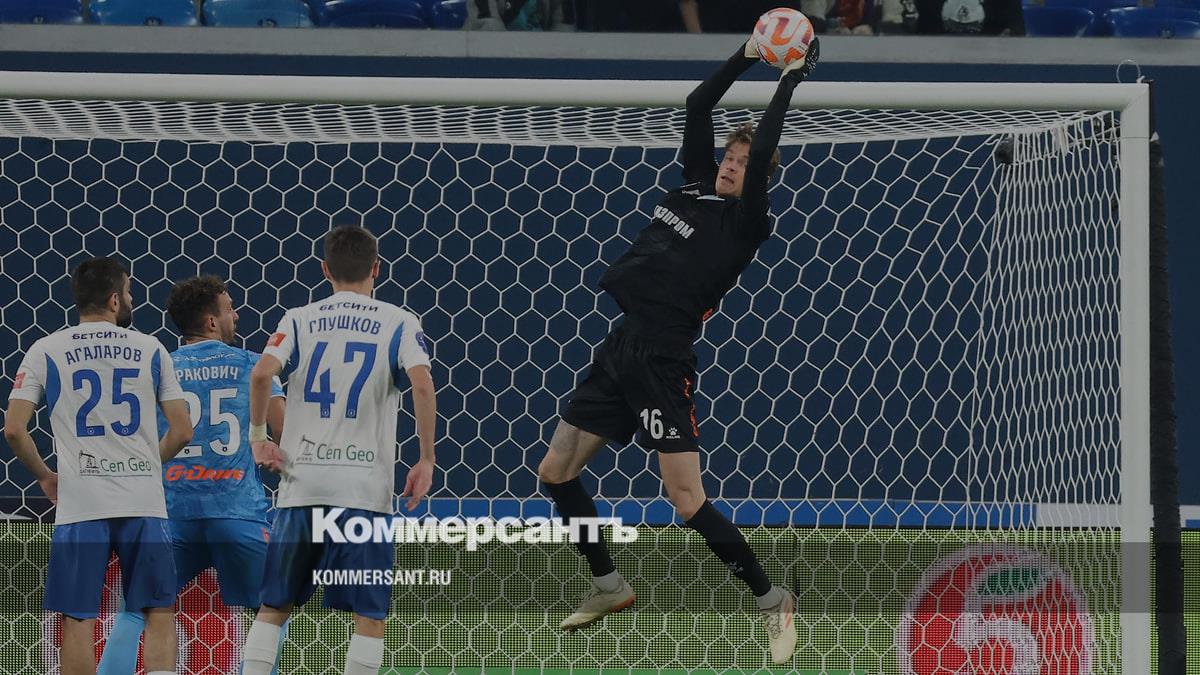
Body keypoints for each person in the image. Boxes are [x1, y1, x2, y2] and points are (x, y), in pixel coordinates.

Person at [536, 36, 820, 665]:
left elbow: (765, 150)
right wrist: (748, 53)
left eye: (743, 162)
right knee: (555, 472)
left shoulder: (746, 222)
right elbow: (698, 105)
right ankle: (609, 585)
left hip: (663, 360)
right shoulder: (693, 186)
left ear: (758, 176)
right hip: (621, 347)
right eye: (730, 156)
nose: (731, 165)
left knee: (686, 499)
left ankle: (773, 600)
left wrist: (789, 79)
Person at [240, 225, 438, 675]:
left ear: (326, 269)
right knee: (369, 615)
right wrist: (426, 458)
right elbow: (423, 385)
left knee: (274, 606)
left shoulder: (298, 318)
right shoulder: (399, 321)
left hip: (302, 485)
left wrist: (258, 436)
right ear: (377, 269)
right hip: (363, 489)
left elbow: (261, 374)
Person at [3, 257, 193, 675]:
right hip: (142, 502)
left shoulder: (45, 350)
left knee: (78, 616)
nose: (130, 300)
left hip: (81, 503)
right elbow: (182, 431)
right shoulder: (151, 349)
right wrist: (147, 464)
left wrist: (45, 476)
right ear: (114, 299)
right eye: (128, 292)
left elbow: (14, 429)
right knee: (158, 611)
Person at [96, 275, 289, 675]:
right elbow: (284, 433)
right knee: (274, 607)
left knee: (137, 610)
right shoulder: (255, 366)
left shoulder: (158, 368)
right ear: (212, 321)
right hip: (238, 512)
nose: (236, 315)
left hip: (172, 514)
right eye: (229, 308)